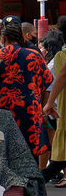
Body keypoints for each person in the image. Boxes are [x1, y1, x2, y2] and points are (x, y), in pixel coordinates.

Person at [0, 15, 53, 160]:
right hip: (29, 109)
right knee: (28, 151)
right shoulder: (35, 56)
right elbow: (46, 82)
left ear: (3, 39)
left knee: (0, 152)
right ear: (22, 38)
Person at [42, 29, 66, 184]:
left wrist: (48, 103)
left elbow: (51, 85)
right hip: (56, 108)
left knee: (53, 140)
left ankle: (44, 175)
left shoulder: (57, 60)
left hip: (56, 109)